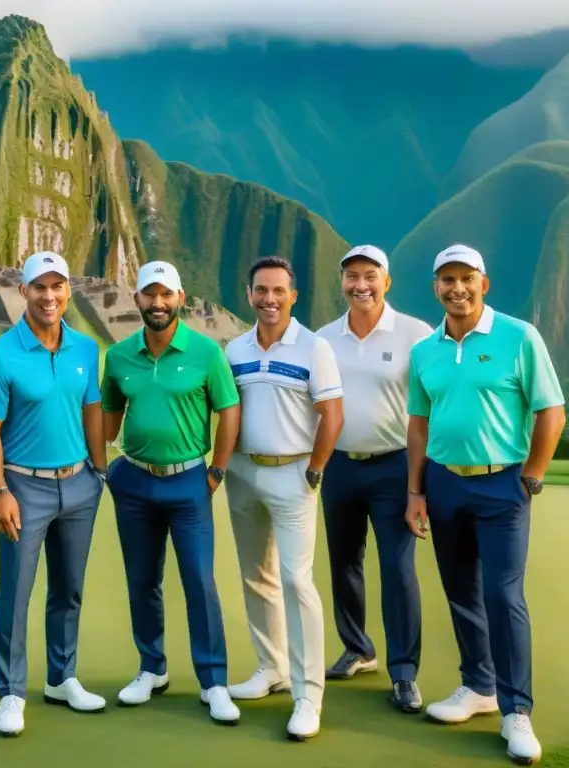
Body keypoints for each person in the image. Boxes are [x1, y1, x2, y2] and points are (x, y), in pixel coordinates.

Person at [406, 244, 566, 766]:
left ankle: (516, 709)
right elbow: (419, 425)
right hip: (445, 484)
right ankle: (477, 686)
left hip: (503, 485)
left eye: (466, 278)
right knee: (460, 592)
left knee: (503, 596)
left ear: (484, 283)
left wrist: (532, 477)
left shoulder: (519, 336)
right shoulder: (425, 349)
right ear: (436, 287)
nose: (457, 288)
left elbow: (551, 412)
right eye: (446, 280)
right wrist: (416, 490)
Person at [101, 260, 242, 726]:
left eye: (166, 295)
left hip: (189, 482)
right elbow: (108, 417)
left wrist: (216, 472)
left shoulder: (205, 353)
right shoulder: (119, 356)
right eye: (149, 294)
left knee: (200, 580)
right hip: (134, 481)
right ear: (137, 299)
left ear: (180, 299)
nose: (157, 303)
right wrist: (104, 469)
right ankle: (152, 667)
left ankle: (213, 680)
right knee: (143, 581)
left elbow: (229, 410)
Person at [0, 251, 108, 737]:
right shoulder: (2, 354)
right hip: (23, 487)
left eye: (57, 287)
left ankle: (62, 677)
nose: (48, 296)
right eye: (39, 287)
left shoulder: (85, 349)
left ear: (67, 291)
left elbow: (91, 409)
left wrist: (100, 470)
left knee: (68, 589)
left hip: (78, 486)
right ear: (24, 292)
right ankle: (11, 692)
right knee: (16, 592)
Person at [222, 255, 344, 740]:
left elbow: (332, 416)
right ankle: (270, 668)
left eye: (278, 291)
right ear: (249, 295)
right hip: (243, 472)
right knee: (256, 576)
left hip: (294, 473)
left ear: (293, 295)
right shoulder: (234, 349)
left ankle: (307, 694)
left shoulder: (314, 348)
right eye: (260, 290)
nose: (269, 299)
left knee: (298, 582)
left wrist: (314, 469)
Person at [314, 245, 433, 713]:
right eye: (351, 276)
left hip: (394, 466)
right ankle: (359, 648)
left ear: (387, 281)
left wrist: (418, 484)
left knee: (399, 569)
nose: (360, 285)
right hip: (340, 465)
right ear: (341, 282)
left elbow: (428, 408)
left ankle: (404, 673)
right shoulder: (325, 338)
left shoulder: (415, 334)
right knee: (343, 562)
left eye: (369, 276)